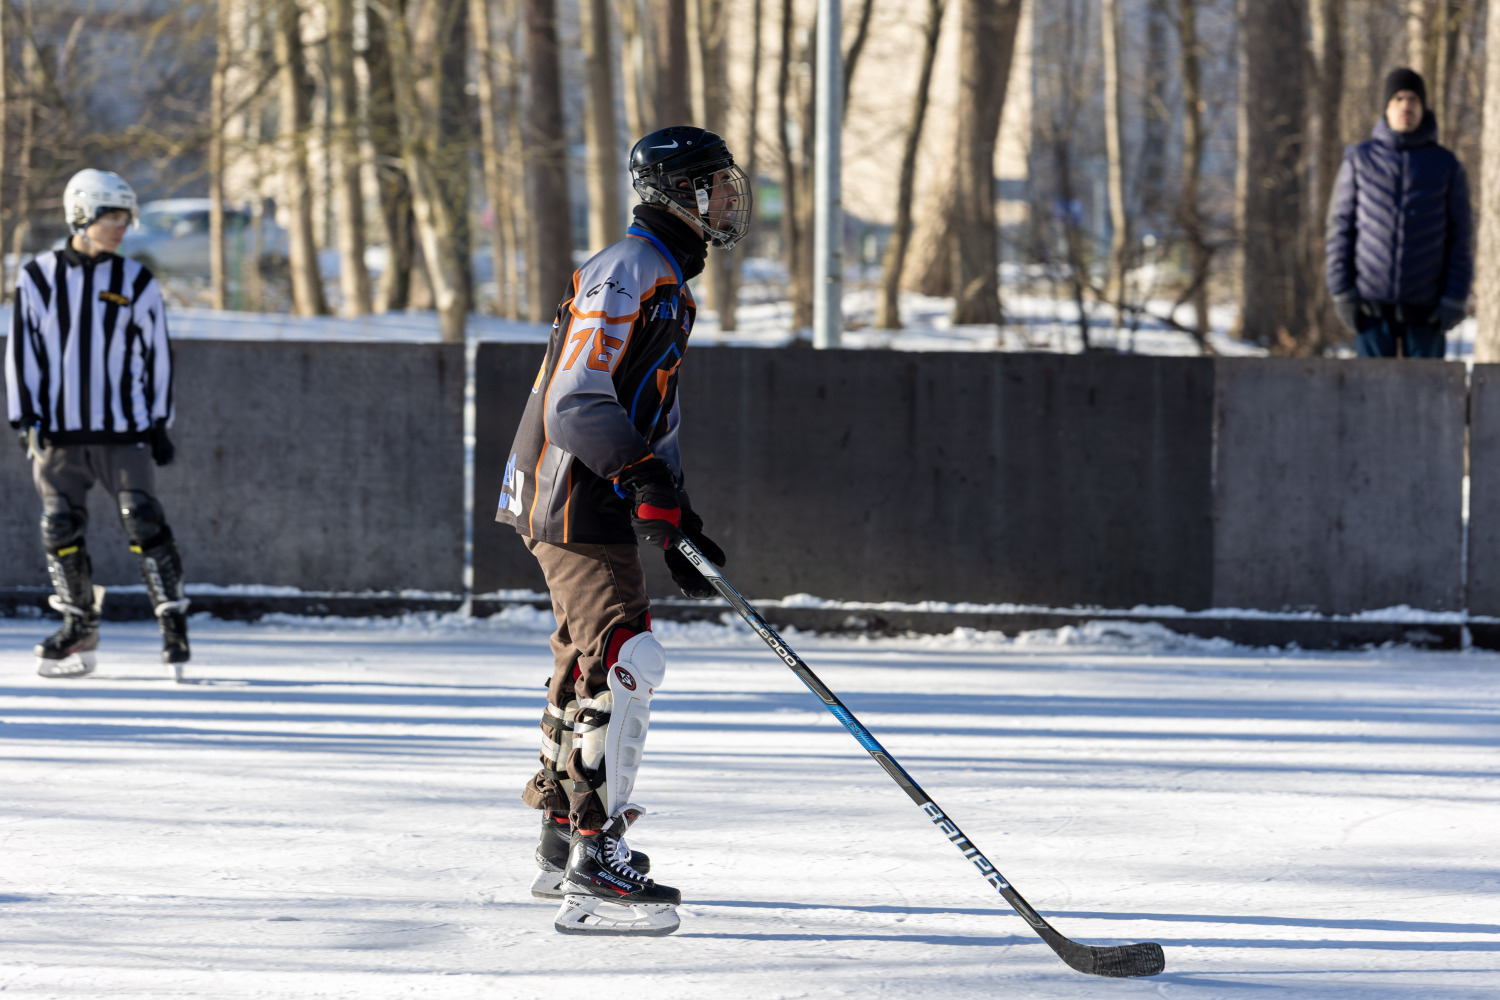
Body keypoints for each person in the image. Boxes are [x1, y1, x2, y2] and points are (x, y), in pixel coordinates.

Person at [494, 125, 751, 936]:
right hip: (574, 493)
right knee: (626, 657)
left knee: (586, 660)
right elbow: (576, 397)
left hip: (592, 492)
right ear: (676, 192)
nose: (728, 199)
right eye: (714, 185)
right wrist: (639, 479)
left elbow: (651, 409)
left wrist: (676, 514)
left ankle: (563, 835)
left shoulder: (667, 276)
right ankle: (595, 861)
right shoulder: (629, 269)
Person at [5, 169, 190, 681]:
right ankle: (78, 624)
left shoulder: (136, 281)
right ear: (82, 215)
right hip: (58, 433)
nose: (122, 228)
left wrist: (158, 422)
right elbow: (24, 353)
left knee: (143, 520)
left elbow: (157, 355)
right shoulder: (37, 277)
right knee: (60, 526)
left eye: (126, 218)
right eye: (113, 217)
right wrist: (25, 418)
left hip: (123, 429)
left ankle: (173, 622)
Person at [1327, 67, 1472, 358]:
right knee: (1370, 397)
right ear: (1387, 107)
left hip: (1428, 313)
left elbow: (1461, 237)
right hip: (1370, 310)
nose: (1407, 105)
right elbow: (1340, 228)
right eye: (1398, 98)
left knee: (1428, 398)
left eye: (1414, 99)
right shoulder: (1360, 159)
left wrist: (1454, 298)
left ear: (1423, 106)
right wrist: (1342, 292)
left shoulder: (1446, 164)